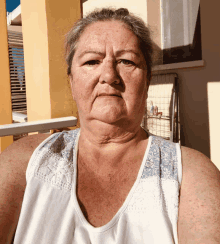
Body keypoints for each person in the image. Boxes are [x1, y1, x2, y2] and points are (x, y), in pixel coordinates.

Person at [0, 8, 220, 244]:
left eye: (127, 61)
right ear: (72, 82)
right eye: (92, 61)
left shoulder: (190, 174)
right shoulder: (25, 161)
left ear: (147, 82)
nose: (108, 75)